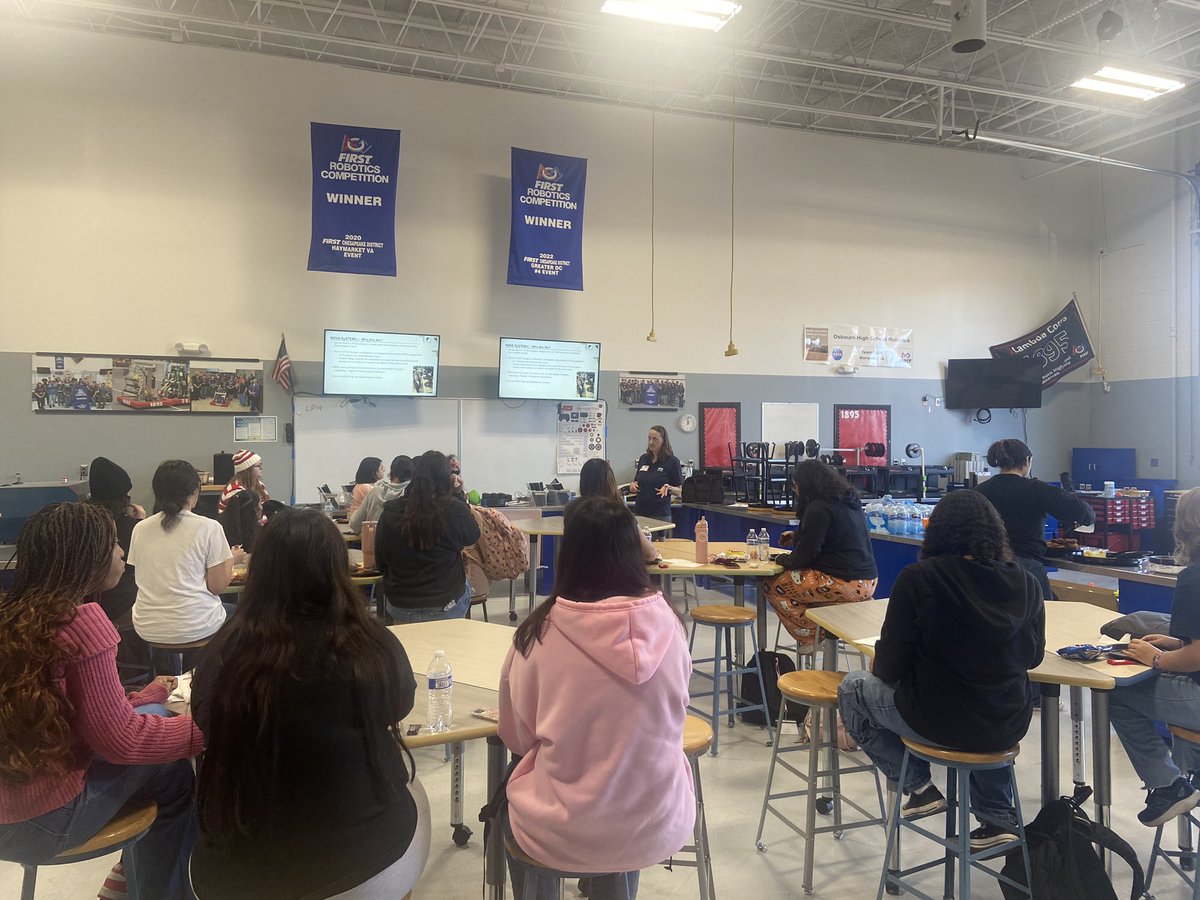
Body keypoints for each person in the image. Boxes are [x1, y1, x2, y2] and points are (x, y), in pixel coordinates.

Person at [190, 509, 430, 899]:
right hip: (360, 865)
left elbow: (205, 722)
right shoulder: (370, 644)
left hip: (232, 875)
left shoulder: (224, 652)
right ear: (337, 568)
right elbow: (399, 706)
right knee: (412, 787)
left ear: (261, 570)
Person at [0, 502, 204, 899]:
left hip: (9, 813)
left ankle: (126, 879)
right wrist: (211, 725)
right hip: (43, 822)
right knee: (176, 774)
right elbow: (121, 742)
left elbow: (65, 714)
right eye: (112, 543)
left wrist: (143, 698)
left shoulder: (14, 617)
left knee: (153, 710)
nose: (121, 552)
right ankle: (156, 890)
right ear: (87, 559)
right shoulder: (80, 620)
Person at [499, 497, 694, 899]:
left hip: (563, 828)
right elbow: (677, 709)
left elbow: (517, 737)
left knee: (508, 808)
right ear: (631, 549)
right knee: (623, 796)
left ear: (570, 553)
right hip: (655, 817)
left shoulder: (538, 635)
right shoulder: (670, 625)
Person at [837, 489, 1044, 850]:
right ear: (996, 533)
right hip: (1009, 722)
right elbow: (1034, 657)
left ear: (937, 531)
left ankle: (918, 786)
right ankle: (997, 816)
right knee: (983, 699)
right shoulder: (1026, 581)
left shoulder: (920, 578)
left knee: (853, 688)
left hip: (939, 719)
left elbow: (889, 667)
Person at [1106, 487, 1200, 826]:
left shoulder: (1194, 577)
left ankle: (1168, 784)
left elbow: (1197, 658)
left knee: (1114, 693)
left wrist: (1155, 658)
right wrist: (1178, 641)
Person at [130, 460, 244, 658]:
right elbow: (217, 587)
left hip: (148, 625)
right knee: (239, 613)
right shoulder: (209, 527)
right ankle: (210, 677)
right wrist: (230, 560)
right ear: (194, 492)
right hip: (198, 625)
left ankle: (170, 678)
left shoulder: (140, 528)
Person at [767, 460, 878, 647]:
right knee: (800, 586)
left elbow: (805, 555)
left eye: (796, 486)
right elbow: (832, 537)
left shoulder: (818, 508)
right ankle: (823, 630)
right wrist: (796, 537)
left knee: (772, 586)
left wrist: (781, 559)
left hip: (843, 582)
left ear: (805, 484)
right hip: (868, 581)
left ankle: (814, 637)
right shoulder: (846, 501)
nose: (795, 491)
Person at [974, 438, 1095, 600]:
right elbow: (1084, 513)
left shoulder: (979, 491)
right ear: (1027, 460)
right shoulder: (1036, 489)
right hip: (1026, 571)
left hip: (985, 571)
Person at [375, 450, 480, 623]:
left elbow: (381, 562)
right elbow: (472, 536)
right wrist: (458, 495)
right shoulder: (454, 509)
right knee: (466, 584)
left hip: (401, 604)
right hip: (446, 602)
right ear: (447, 478)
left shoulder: (391, 511)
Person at [86, 456, 147, 627]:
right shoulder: (131, 528)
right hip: (122, 607)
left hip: (89, 608)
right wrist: (140, 523)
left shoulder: (83, 524)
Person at [576, 458, 660, 563]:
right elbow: (649, 554)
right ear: (610, 482)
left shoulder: (573, 512)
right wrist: (656, 553)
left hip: (581, 575)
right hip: (614, 575)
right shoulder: (619, 512)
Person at [628, 425, 682, 521]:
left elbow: (679, 491)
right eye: (649, 438)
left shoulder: (672, 461)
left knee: (659, 537)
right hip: (640, 511)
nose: (651, 442)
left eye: (655, 439)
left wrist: (669, 488)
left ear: (663, 441)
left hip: (660, 514)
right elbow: (636, 481)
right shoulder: (643, 458)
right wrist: (633, 485)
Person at [349, 455, 413, 534]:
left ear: (391, 473)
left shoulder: (374, 492)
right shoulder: (414, 494)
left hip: (375, 544)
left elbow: (355, 524)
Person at [217, 450, 269, 515]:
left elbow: (267, 507)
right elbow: (240, 518)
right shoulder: (234, 490)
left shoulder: (260, 485)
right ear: (248, 469)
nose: (261, 468)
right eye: (259, 465)